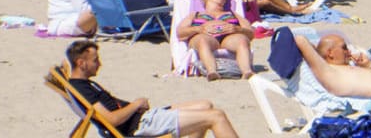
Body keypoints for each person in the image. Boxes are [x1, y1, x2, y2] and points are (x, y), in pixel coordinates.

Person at [64, 39, 242, 138]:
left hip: (142, 118)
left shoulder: (80, 84)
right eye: (95, 60)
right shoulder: (82, 89)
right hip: (139, 125)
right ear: (81, 63)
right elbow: (111, 120)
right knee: (216, 117)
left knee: (206, 104)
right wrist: (136, 104)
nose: (99, 64)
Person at [176, 0, 255, 81]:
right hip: (204, 37)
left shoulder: (233, 14)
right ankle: (211, 72)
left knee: (242, 40)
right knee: (202, 41)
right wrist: (198, 29)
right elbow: (180, 33)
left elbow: (250, 34)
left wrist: (237, 29)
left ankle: (247, 72)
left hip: (228, 39)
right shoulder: (195, 14)